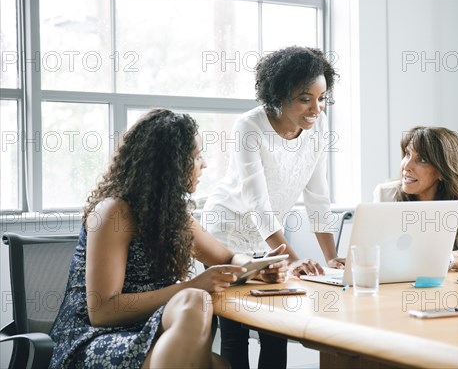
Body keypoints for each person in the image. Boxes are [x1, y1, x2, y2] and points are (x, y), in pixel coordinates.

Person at [49, 109, 287, 368]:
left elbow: (228, 257)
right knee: (201, 319)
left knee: (196, 304)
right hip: (93, 337)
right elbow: (103, 311)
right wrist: (192, 285)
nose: (204, 164)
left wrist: (256, 269)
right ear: (171, 165)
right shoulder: (114, 212)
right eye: (196, 157)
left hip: (151, 326)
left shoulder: (172, 214)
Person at [200, 46, 342, 369]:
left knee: (276, 326)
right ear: (280, 94)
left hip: (270, 238)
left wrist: (331, 256)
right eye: (305, 98)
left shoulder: (317, 128)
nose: (316, 109)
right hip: (228, 230)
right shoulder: (249, 126)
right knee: (236, 330)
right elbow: (257, 203)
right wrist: (292, 260)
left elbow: (318, 196)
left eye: (322, 98)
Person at [373, 126, 458, 270]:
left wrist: (448, 259)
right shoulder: (385, 195)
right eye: (407, 154)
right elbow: (370, 249)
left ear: (442, 171)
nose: (406, 166)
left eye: (422, 160)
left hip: (447, 288)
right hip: (394, 287)